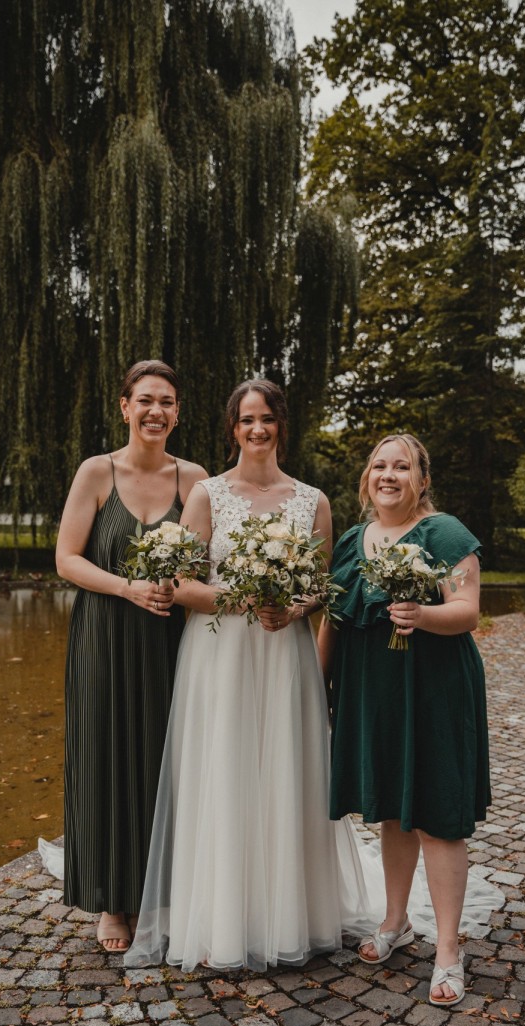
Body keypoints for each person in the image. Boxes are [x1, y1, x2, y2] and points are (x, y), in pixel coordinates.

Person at [125, 379, 381, 972]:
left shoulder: (312, 501)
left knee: (286, 771)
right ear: (233, 428)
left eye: (266, 418)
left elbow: (322, 588)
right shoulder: (208, 495)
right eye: (246, 420)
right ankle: (222, 921)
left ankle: (291, 917)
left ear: (281, 425)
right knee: (226, 772)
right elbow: (181, 585)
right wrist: (242, 599)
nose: (257, 429)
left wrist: (292, 608)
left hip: (285, 651)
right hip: (220, 657)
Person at [318, 433, 492, 1005]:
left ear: (422, 480)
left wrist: (423, 614)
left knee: (438, 813)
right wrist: (316, 685)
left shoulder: (443, 534)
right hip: (373, 691)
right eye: (379, 466)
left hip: (435, 689)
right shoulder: (352, 540)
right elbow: (333, 619)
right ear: (367, 478)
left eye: (401, 467)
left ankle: (448, 950)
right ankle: (396, 920)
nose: (388, 475)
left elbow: (467, 610)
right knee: (392, 806)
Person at [55, 361, 206, 952]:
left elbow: (208, 562)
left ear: (177, 412)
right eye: (145, 400)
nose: (155, 412)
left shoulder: (194, 480)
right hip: (104, 636)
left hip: (170, 640)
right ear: (125, 407)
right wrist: (127, 587)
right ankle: (111, 902)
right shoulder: (97, 472)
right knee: (105, 756)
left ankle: (161, 887)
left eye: (166, 402)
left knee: (164, 758)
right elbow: (67, 559)